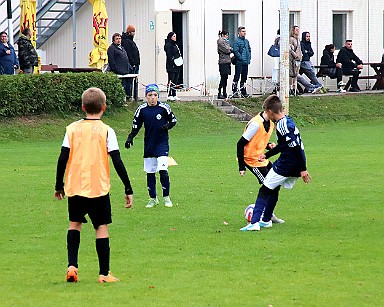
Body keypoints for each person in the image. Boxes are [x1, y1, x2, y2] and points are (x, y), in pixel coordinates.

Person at [54, 87, 134, 283]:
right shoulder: (107, 131)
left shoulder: (72, 129)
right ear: (104, 107)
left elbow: (62, 158)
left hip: (75, 186)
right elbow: (117, 160)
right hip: (98, 187)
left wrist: (59, 185)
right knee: (101, 227)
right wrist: (128, 188)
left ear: (83, 107)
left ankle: (72, 266)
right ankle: (104, 274)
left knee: (75, 224)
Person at [240, 94, 311, 231]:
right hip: (289, 162)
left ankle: (254, 223)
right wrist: (266, 155)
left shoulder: (282, 126)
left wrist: (303, 168)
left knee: (264, 190)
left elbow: (296, 147)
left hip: (287, 165)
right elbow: (284, 145)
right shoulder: (287, 121)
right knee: (271, 188)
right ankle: (266, 220)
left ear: (269, 111)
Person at [125, 84, 177, 208]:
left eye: (155, 95)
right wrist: (130, 137)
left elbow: (173, 120)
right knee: (150, 172)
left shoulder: (164, 107)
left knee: (163, 170)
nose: (152, 98)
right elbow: (136, 125)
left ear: (158, 96)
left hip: (162, 144)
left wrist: (167, 127)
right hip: (149, 144)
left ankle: (166, 197)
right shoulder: (142, 110)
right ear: (146, 96)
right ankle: (153, 199)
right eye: (150, 95)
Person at [236, 103, 285, 224]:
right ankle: (260, 216)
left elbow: (257, 142)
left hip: (262, 159)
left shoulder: (271, 123)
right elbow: (240, 144)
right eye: (276, 113)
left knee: (276, 184)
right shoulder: (255, 124)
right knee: (268, 186)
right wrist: (241, 166)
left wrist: (268, 146)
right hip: (251, 160)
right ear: (269, 111)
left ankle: (268, 214)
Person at [107, 33, 131, 98]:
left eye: (119, 38)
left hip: (125, 72)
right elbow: (111, 60)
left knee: (125, 87)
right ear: (113, 40)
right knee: (119, 87)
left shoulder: (122, 48)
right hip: (118, 72)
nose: (118, 40)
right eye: (117, 39)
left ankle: (126, 98)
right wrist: (115, 69)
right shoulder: (111, 48)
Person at [121, 25, 140, 101]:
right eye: (132, 32)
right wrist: (133, 63)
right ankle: (129, 95)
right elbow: (129, 53)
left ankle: (133, 95)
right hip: (132, 64)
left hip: (135, 63)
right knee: (129, 80)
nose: (134, 33)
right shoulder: (126, 41)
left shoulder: (130, 41)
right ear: (129, 32)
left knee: (133, 80)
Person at [232, 26, 251, 98]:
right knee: (237, 77)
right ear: (239, 32)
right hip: (239, 62)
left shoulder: (246, 41)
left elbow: (249, 50)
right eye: (243, 31)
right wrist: (240, 58)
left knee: (244, 77)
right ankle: (235, 91)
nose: (244, 33)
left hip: (246, 62)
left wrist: (249, 58)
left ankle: (243, 91)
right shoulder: (236, 41)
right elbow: (236, 51)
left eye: (245, 31)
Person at [164, 32, 182, 101]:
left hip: (177, 65)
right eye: (174, 36)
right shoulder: (168, 45)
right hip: (171, 65)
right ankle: (169, 94)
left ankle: (174, 94)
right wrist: (173, 60)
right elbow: (169, 55)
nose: (175, 37)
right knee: (171, 79)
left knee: (175, 80)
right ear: (171, 37)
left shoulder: (175, 45)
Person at [217, 30, 232, 99]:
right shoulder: (221, 41)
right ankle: (220, 92)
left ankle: (224, 92)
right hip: (223, 61)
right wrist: (230, 49)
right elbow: (226, 50)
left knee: (225, 78)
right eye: (226, 35)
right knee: (223, 78)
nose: (227, 37)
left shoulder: (225, 41)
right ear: (223, 35)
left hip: (227, 61)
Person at [289, 26, 302, 95]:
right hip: (292, 58)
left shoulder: (298, 39)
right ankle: (290, 88)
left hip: (298, 58)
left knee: (296, 74)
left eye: (298, 30)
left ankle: (295, 88)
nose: (298, 31)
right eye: (296, 30)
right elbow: (289, 48)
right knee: (292, 74)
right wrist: (294, 54)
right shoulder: (291, 39)